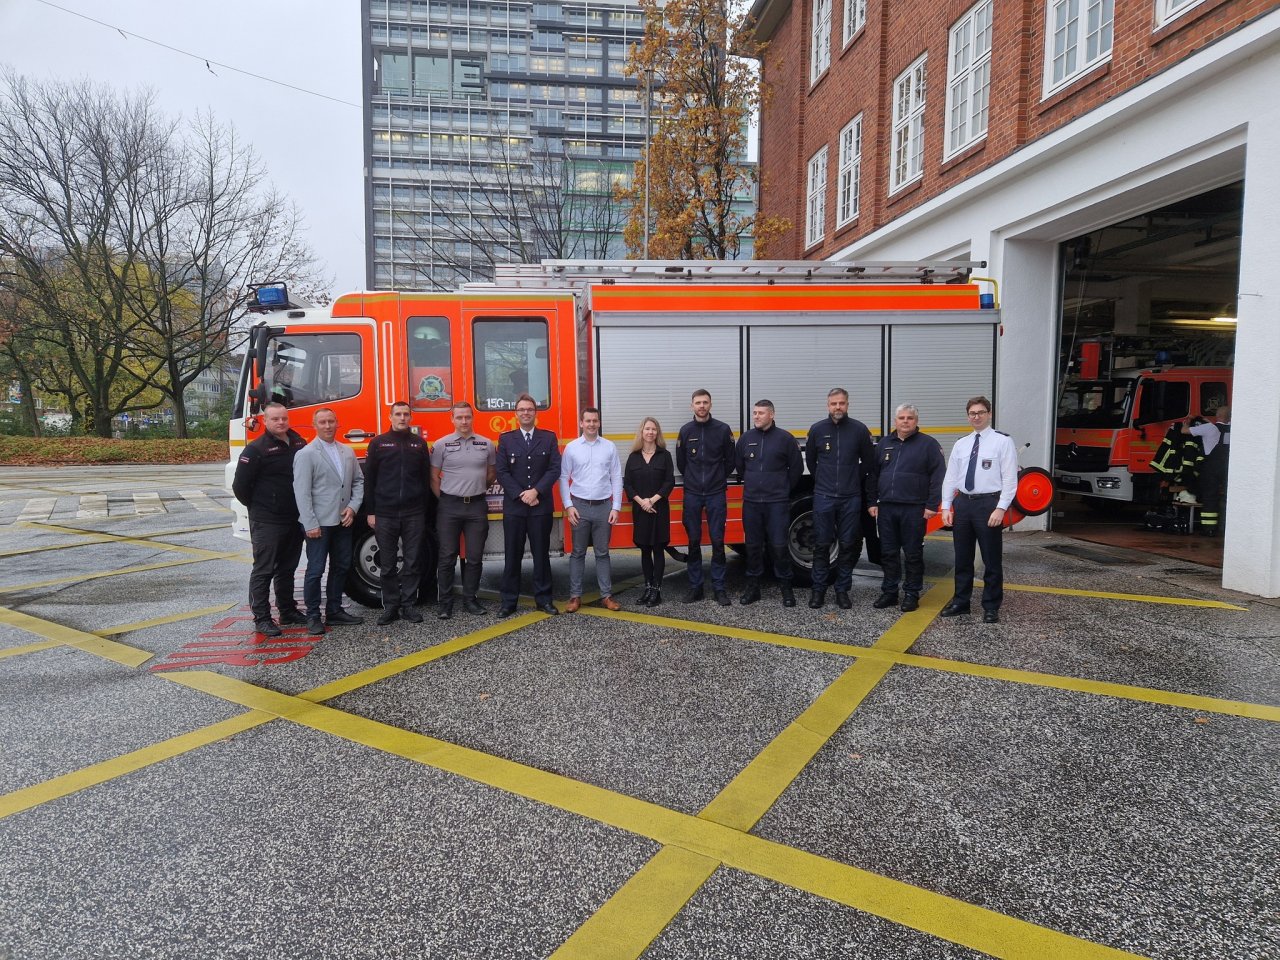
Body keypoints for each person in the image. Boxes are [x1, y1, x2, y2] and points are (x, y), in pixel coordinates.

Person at [231, 401, 308, 636]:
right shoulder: (256, 450)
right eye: (275, 419)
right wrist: (261, 507)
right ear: (266, 421)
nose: (281, 422)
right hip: (267, 520)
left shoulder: (298, 442)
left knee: (287, 568)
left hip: (294, 517)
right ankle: (262, 618)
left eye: (284, 418)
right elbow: (240, 487)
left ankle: (287, 611)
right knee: (263, 570)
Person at [940, 396, 1018, 624]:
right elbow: (950, 478)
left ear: (989, 414)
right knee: (962, 558)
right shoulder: (961, 444)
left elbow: (1010, 480)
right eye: (972, 413)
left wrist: (1001, 508)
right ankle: (961, 602)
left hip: (988, 505)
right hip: (963, 504)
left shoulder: (1002, 442)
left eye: (981, 412)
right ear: (968, 416)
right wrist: (947, 506)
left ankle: (991, 606)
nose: (976, 416)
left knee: (991, 559)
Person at [293, 407, 366, 635]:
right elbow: (301, 492)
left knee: (341, 566)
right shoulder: (306, 454)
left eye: (331, 422)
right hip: (319, 524)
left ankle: (334, 611)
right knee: (315, 570)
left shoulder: (346, 451)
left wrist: (353, 508)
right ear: (315, 426)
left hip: (343, 520)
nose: (327, 426)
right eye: (323, 422)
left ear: (337, 424)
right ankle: (313, 616)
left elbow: (358, 482)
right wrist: (310, 523)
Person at [868, 403, 946, 613]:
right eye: (901, 418)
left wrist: (932, 505)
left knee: (912, 554)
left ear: (916, 421)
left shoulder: (928, 445)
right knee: (888, 553)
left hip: (914, 509)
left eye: (909, 418)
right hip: (886, 509)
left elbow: (938, 478)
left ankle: (911, 594)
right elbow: (873, 475)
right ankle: (890, 592)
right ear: (895, 421)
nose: (905, 421)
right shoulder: (884, 444)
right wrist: (872, 502)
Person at [803, 387, 876, 609]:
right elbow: (812, 463)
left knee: (847, 545)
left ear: (847, 404)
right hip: (824, 496)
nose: (838, 407)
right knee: (822, 545)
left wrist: (852, 478)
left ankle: (842, 590)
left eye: (841, 403)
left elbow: (868, 463)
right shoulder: (817, 430)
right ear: (828, 405)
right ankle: (818, 591)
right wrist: (824, 481)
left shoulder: (859, 430)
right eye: (834, 403)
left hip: (850, 497)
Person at [364, 401, 432, 626]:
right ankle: (391, 606)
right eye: (398, 414)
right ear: (390, 417)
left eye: (406, 414)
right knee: (388, 563)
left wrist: (423, 509)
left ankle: (409, 605)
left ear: (410, 418)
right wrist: (371, 512)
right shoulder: (378, 443)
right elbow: (370, 480)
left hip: (414, 513)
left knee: (413, 562)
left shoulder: (419, 444)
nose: (402, 418)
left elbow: (425, 480)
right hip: (385, 513)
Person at [495, 393, 561, 617]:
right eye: (522, 410)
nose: (526, 413)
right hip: (515, 507)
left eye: (530, 409)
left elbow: (554, 469)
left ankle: (544, 599)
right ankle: (508, 601)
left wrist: (536, 491)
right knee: (512, 555)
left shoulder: (549, 438)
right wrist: (521, 494)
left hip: (540, 507)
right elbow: (501, 472)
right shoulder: (506, 439)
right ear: (516, 414)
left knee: (541, 555)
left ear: (535, 413)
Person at [736, 399, 804, 606]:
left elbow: (797, 469)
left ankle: (786, 589)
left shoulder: (785, 439)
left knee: (779, 546)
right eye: (754, 413)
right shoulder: (746, 438)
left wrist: (781, 490)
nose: (756, 416)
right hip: (752, 503)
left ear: (772, 415)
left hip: (777, 503)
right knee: (753, 546)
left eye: (761, 413)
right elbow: (740, 468)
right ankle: (753, 588)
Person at [432, 401, 496, 618]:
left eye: (467, 417)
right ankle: (445, 604)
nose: (464, 421)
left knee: (475, 557)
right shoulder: (441, 445)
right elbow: (433, 477)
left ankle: (470, 600)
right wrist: (446, 499)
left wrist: (477, 490)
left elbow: (491, 475)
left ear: (472, 418)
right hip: (449, 506)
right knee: (447, 556)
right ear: (452, 419)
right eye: (459, 417)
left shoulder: (486, 444)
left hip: (477, 506)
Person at [676, 389, 736, 605]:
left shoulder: (722, 430)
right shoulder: (685, 431)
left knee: (718, 541)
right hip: (692, 493)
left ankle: (719, 588)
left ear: (711, 404)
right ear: (692, 405)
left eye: (705, 402)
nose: (701, 406)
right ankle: (696, 587)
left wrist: (717, 478)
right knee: (693, 541)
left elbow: (730, 461)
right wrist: (693, 480)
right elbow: (682, 463)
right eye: (698, 402)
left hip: (716, 493)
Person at [561, 407, 624, 612]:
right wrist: (568, 505)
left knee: (602, 553)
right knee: (577, 553)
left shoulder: (609, 447)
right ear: (581, 423)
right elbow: (563, 477)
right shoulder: (571, 448)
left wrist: (616, 507)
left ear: (599, 423)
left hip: (603, 507)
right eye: (587, 421)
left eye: (594, 421)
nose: (591, 424)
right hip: (579, 506)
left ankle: (606, 596)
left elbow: (616, 477)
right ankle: (574, 597)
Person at [624, 417, 675, 607]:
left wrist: (652, 500)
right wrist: (641, 502)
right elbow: (627, 483)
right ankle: (647, 588)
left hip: (659, 509)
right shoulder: (633, 456)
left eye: (654, 429)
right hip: (641, 511)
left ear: (657, 433)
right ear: (642, 432)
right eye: (647, 429)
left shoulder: (665, 455)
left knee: (658, 549)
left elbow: (669, 482)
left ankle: (657, 590)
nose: (650, 432)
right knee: (645, 550)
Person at [1187, 404, 1230, 535]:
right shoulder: (1235, 429)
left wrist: (1187, 421)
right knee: (1227, 497)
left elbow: (1184, 431)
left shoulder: (1209, 428)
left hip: (1211, 467)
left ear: (1218, 415)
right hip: (1227, 466)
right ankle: (1224, 528)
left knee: (1210, 496)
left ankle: (1209, 529)